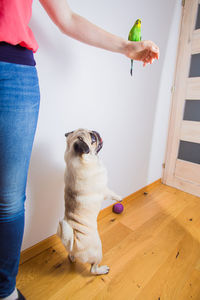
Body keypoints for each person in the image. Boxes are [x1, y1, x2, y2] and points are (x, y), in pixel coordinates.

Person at [0, 0, 159, 299]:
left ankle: (4, 291)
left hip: (13, 66)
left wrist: (126, 46)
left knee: (8, 201)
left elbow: (67, 17)